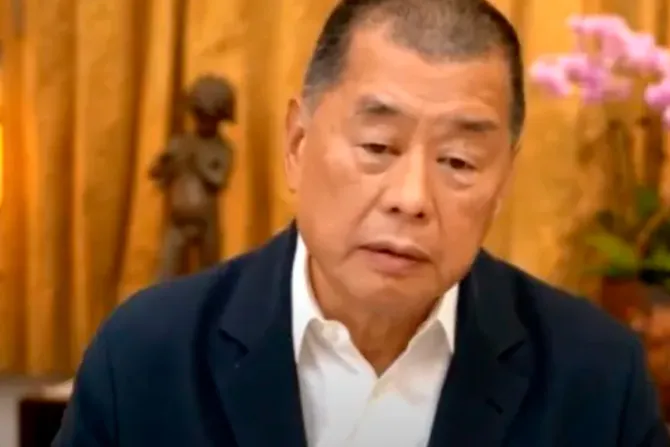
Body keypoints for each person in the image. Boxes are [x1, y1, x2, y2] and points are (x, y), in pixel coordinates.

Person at [54, 0, 670, 446]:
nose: (411, 198)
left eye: (458, 161)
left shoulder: (596, 378)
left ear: (503, 181)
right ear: (297, 144)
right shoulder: (147, 356)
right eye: (377, 147)